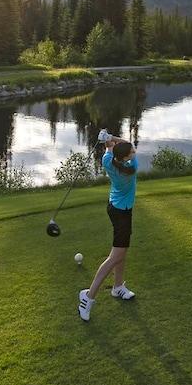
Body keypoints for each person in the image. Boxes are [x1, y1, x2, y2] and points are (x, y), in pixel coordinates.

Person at [78, 134, 138, 322]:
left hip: (115, 208)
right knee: (115, 257)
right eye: (131, 152)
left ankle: (118, 287)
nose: (134, 151)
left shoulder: (107, 161)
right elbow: (125, 144)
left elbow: (111, 146)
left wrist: (106, 138)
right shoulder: (132, 167)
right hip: (122, 213)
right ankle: (87, 297)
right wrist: (112, 137)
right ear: (126, 157)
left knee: (121, 252)